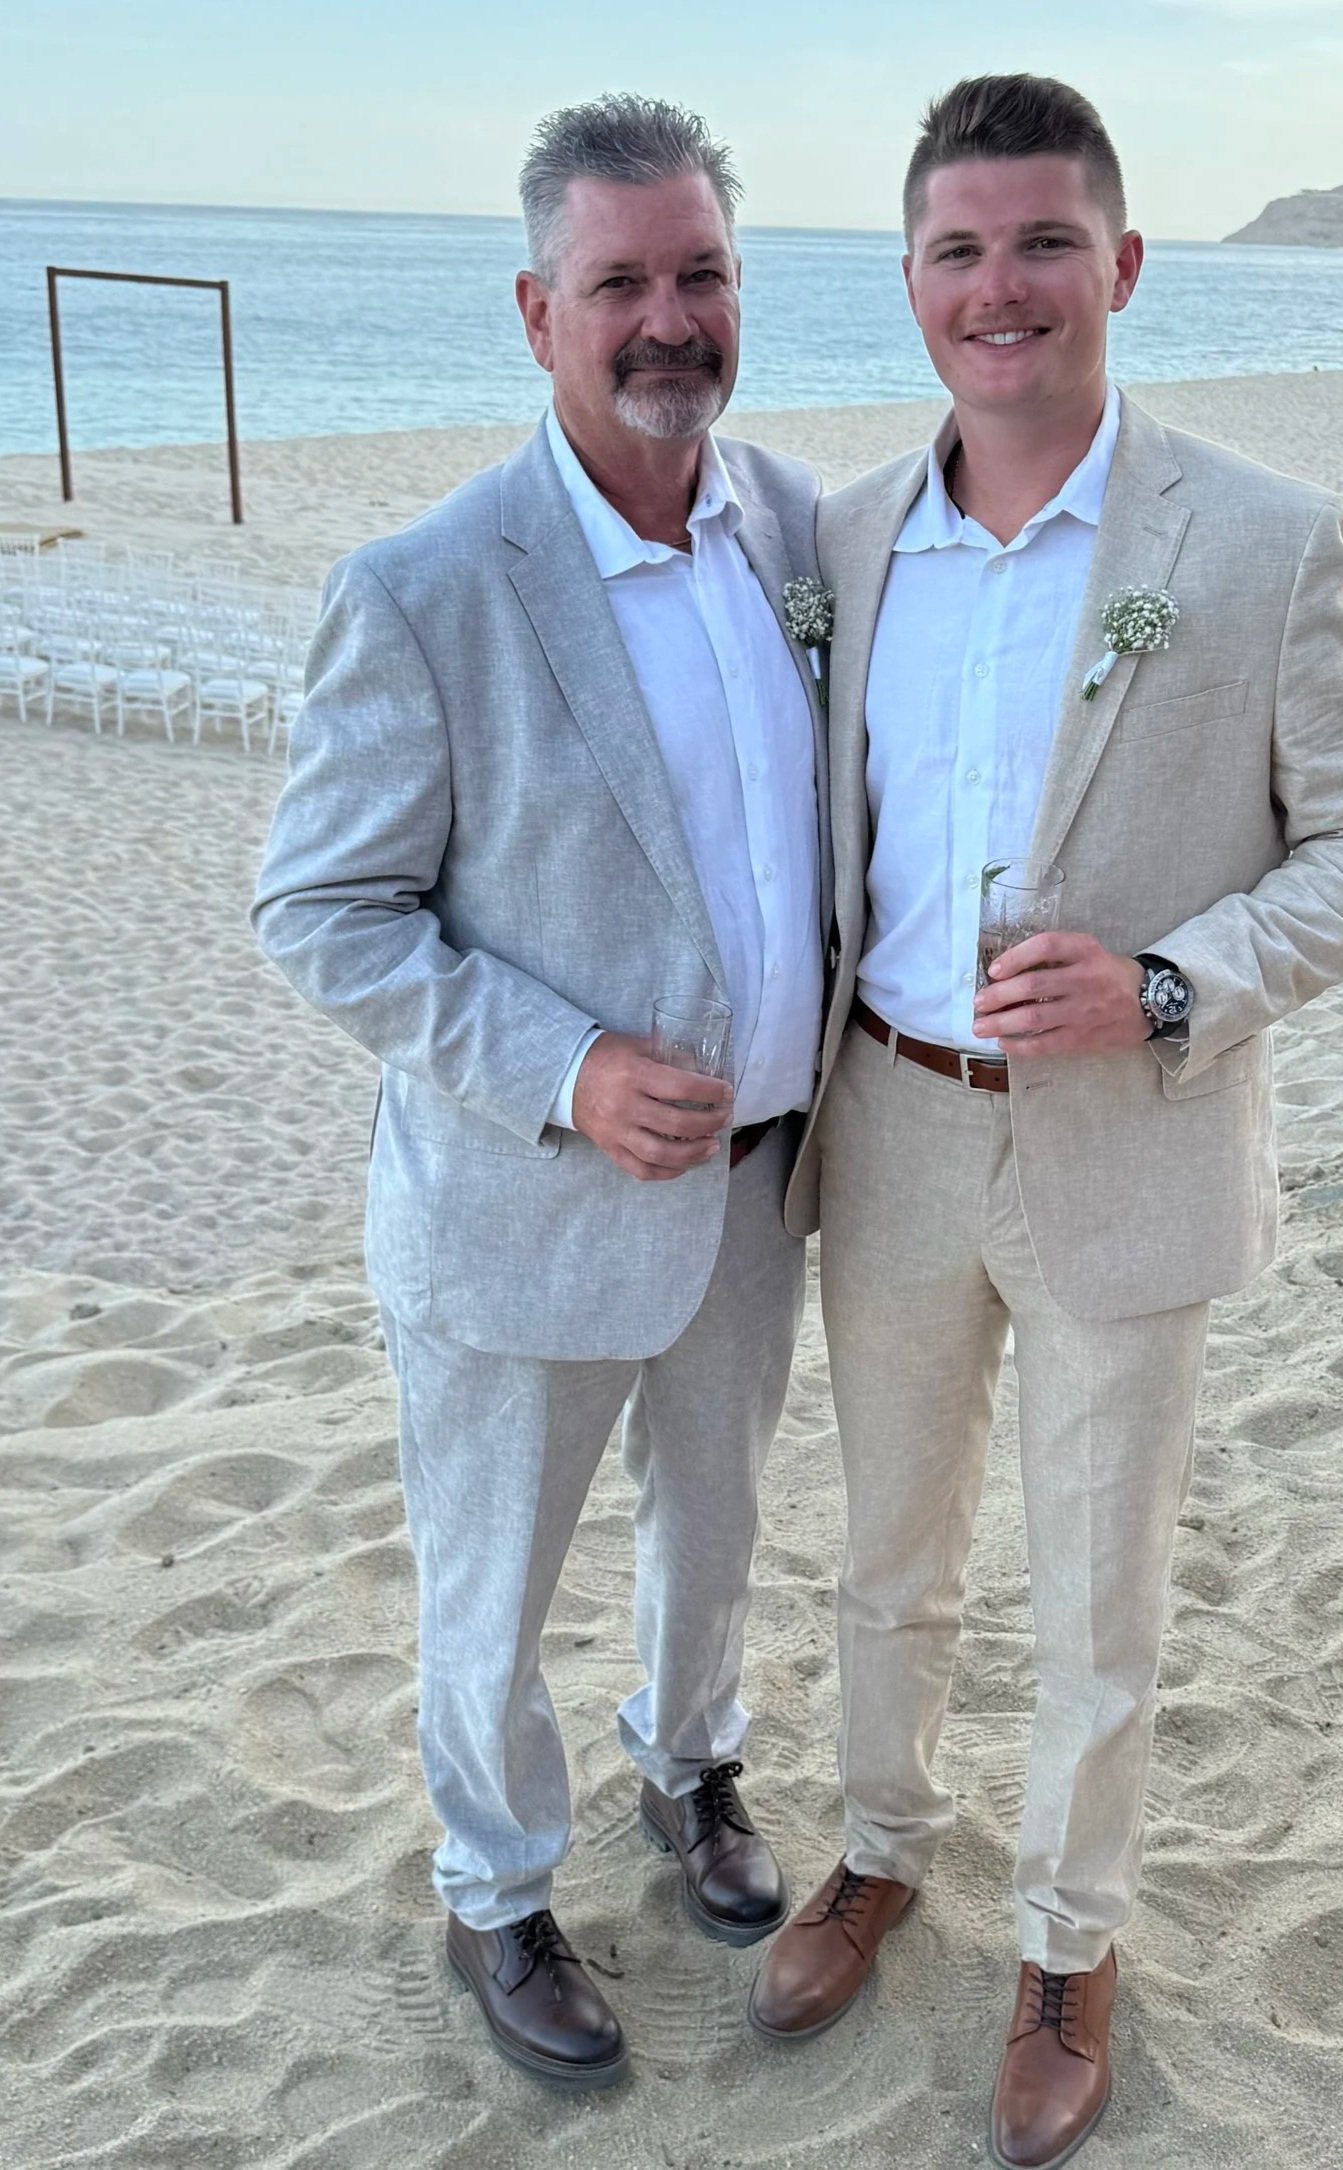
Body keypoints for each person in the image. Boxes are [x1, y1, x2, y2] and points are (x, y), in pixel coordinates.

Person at [749, 73, 1343, 2169]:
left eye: (1041, 242)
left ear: (1119, 265)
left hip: (1124, 1137)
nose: (999, 287)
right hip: (884, 1133)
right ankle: (878, 1845)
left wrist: (1169, 979)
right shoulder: (845, 535)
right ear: (905, 283)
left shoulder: (1256, 536)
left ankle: (1070, 1936)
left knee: (1096, 1591)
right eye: (956, 250)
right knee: (885, 1551)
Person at [253, 93, 829, 2091]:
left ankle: (688, 1772)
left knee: (717, 1528)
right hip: (519, 1203)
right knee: (490, 1576)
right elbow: (320, 906)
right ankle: (496, 1882)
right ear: (535, 308)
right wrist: (563, 1063)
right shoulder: (425, 586)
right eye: (618, 285)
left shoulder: (796, 530)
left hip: (760, 1187)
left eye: (698, 276)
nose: (665, 319)